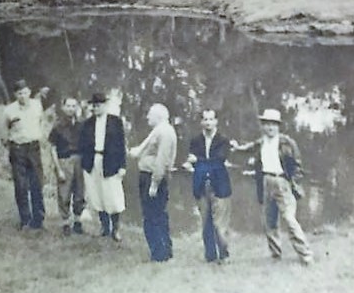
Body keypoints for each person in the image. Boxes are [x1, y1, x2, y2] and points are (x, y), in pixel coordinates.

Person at [234, 108, 313, 265]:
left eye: (273, 124)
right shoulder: (262, 141)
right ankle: (275, 255)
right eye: (267, 124)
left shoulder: (287, 143)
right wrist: (237, 148)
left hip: (282, 182)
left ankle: (305, 254)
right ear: (263, 126)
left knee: (290, 219)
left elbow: (297, 166)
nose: (270, 127)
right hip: (266, 182)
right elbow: (249, 148)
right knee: (270, 221)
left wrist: (294, 184)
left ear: (278, 126)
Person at [129, 103, 178, 262]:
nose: (147, 117)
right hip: (150, 175)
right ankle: (165, 250)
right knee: (159, 215)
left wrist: (154, 184)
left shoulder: (164, 132)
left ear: (158, 116)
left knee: (152, 216)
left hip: (152, 176)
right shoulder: (160, 130)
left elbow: (162, 160)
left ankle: (159, 253)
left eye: (150, 114)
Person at [1, 80, 51, 230]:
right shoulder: (9, 110)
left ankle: (39, 220)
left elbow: (42, 121)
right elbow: (4, 132)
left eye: (25, 92)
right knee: (21, 185)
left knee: (37, 183)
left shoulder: (37, 105)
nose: (22, 96)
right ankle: (25, 220)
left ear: (29, 92)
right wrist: (9, 147)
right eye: (19, 93)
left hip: (34, 148)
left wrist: (41, 135)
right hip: (18, 149)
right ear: (15, 95)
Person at [186, 109, 232, 263]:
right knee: (206, 222)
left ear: (216, 121)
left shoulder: (223, 141)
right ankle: (210, 255)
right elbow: (195, 160)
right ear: (201, 122)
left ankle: (224, 254)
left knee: (219, 224)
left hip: (219, 186)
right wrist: (196, 163)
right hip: (201, 185)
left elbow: (219, 161)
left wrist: (197, 161)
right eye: (205, 119)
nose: (208, 123)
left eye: (211, 119)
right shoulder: (195, 140)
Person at [78, 91, 126, 241]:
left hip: (110, 162)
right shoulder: (88, 123)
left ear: (105, 105)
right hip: (93, 161)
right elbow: (83, 145)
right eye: (94, 106)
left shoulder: (115, 122)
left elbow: (121, 145)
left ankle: (116, 228)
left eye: (99, 105)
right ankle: (105, 227)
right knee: (97, 195)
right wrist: (85, 162)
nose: (96, 108)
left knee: (112, 195)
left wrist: (122, 166)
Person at [48, 96, 86, 236]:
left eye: (73, 106)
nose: (71, 109)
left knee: (80, 192)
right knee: (64, 193)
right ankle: (65, 223)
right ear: (63, 108)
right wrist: (58, 169)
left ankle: (77, 221)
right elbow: (52, 148)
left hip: (80, 160)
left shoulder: (81, 124)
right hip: (64, 160)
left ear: (77, 107)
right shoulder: (58, 126)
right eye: (68, 106)